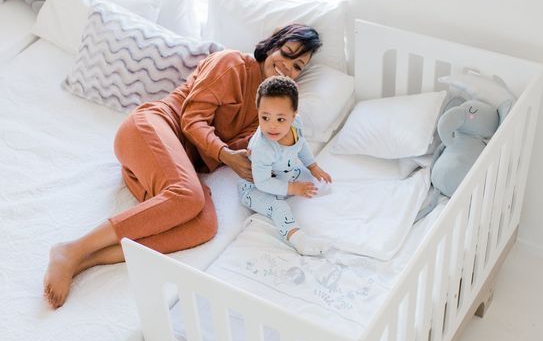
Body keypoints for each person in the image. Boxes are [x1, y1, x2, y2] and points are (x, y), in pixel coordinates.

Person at [43, 24, 322, 308]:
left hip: (166, 166)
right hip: (150, 128)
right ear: (272, 45)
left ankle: (87, 259)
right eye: (286, 54)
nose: (287, 66)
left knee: (204, 226)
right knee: (189, 195)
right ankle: (72, 248)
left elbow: (250, 146)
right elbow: (191, 119)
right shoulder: (232, 64)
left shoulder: (268, 106)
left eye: (297, 66)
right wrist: (226, 155)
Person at [239, 75, 332, 256]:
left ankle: (302, 188)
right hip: (256, 187)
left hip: (283, 173)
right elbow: (263, 182)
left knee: (313, 181)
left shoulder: (296, 125)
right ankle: (298, 239)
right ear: (257, 111)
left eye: (280, 119)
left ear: (293, 115)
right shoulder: (262, 148)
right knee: (278, 207)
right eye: (265, 117)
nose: (272, 126)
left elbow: (301, 144)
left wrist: (313, 166)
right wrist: (293, 188)